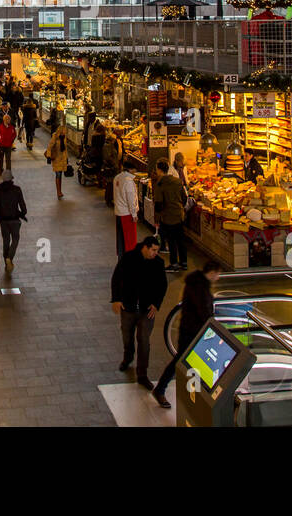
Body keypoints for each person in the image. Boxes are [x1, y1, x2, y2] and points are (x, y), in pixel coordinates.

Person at [151, 261, 221, 408]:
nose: (219, 277)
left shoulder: (197, 282)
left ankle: (195, 392)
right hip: (192, 331)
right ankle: (161, 389)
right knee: (182, 360)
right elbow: (203, 311)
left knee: (188, 361)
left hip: (191, 329)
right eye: (218, 274)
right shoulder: (199, 286)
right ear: (212, 272)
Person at [110, 237, 168, 390]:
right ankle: (128, 357)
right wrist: (116, 299)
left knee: (144, 340)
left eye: (157, 250)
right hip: (128, 307)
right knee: (127, 336)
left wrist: (156, 304)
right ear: (145, 247)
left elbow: (163, 285)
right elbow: (116, 278)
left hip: (146, 310)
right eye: (153, 250)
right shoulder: (129, 258)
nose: (155, 253)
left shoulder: (158, 263)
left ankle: (142, 373)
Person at [0, 169, 28, 274]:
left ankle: (6, 260)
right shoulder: (17, 189)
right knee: (15, 239)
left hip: (3, 220)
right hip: (14, 219)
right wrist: (22, 213)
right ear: (11, 179)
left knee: (6, 240)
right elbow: (23, 207)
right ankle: (9, 258)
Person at [154, 158, 188, 272]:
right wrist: (180, 207)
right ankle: (184, 262)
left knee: (172, 240)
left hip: (168, 216)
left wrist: (157, 218)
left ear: (159, 170)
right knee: (181, 239)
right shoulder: (177, 181)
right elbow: (184, 197)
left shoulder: (160, 183)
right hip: (179, 214)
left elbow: (158, 203)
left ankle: (174, 263)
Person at [112, 165, 140, 258]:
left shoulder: (117, 177)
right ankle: (130, 259)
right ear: (131, 169)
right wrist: (134, 214)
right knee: (130, 240)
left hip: (119, 212)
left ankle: (121, 258)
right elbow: (131, 199)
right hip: (127, 214)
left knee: (121, 239)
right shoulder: (128, 181)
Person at [45, 125, 68, 200]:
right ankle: (58, 192)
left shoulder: (64, 138)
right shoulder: (54, 137)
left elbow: (65, 149)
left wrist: (67, 158)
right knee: (58, 175)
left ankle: (60, 191)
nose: (63, 134)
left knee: (60, 175)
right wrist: (48, 157)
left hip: (62, 159)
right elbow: (49, 147)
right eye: (62, 132)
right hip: (56, 159)